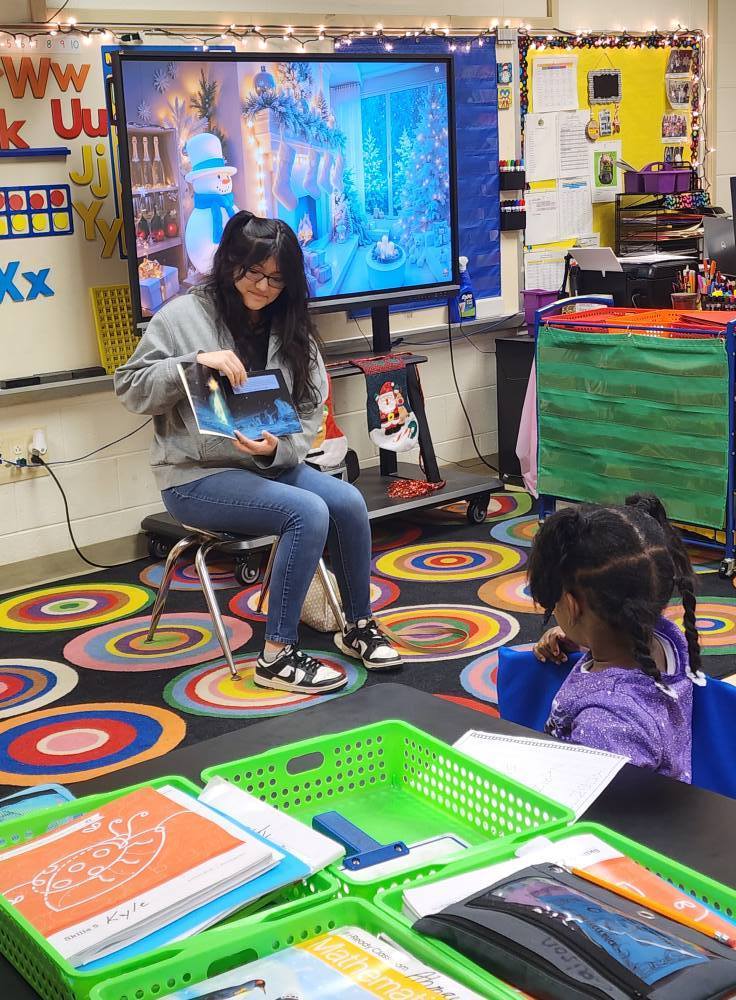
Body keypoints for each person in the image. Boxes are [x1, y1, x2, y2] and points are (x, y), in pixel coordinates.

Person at [115, 212, 402, 694]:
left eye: (277, 278)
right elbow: (129, 388)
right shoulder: (182, 316)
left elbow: (311, 405)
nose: (265, 287)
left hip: (268, 466)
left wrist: (278, 448)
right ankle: (277, 656)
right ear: (230, 263)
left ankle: (357, 625)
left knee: (348, 502)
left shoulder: (292, 326)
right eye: (254, 273)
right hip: (194, 476)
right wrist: (193, 362)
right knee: (307, 512)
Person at [526, 494, 702, 782]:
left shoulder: (605, 725)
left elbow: (596, 811)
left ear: (572, 606)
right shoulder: (667, 640)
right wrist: (583, 639)